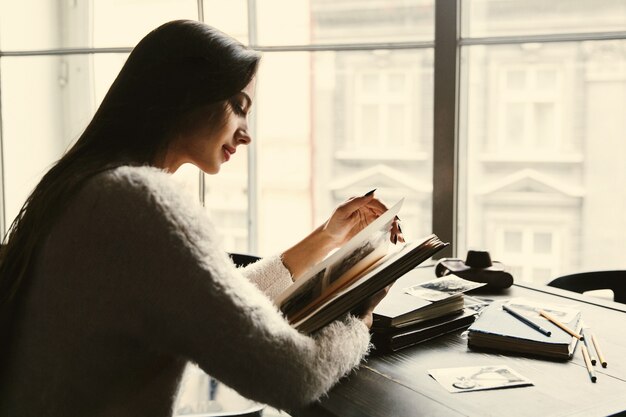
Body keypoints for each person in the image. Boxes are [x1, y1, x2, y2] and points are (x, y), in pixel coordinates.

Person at [0, 20, 402, 416]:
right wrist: (359, 319)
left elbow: (210, 301)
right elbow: (292, 377)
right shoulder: (141, 202)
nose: (246, 134)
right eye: (239, 108)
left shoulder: (89, 187)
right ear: (186, 94)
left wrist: (328, 238)